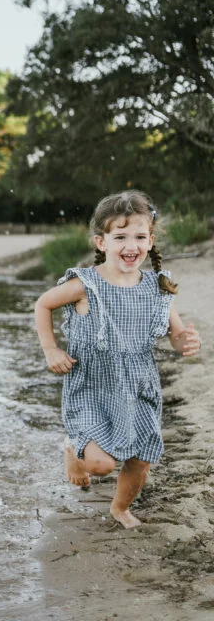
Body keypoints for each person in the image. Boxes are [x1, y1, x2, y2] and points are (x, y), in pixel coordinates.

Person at [34, 191, 201, 529]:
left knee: (140, 459)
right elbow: (43, 304)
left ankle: (120, 508)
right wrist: (51, 349)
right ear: (102, 242)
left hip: (139, 387)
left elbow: (176, 335)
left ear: (150, 240)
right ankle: (73, 449)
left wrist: (185, 343)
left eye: (139, 237)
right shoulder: (86, 284)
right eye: (120, 236)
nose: (131, 245)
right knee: (100, 465)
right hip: (92, 385)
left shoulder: (159, 287)